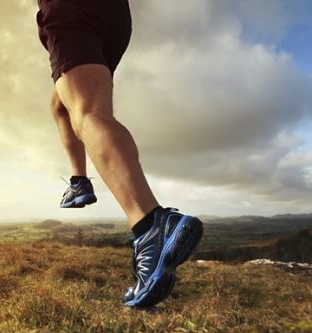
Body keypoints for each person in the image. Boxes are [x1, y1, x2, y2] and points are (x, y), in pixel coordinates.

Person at [36, 0, 203, 307]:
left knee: (89, 114)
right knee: (63, 104)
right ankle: (79, 182)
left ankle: (149, 223)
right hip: (114, 15)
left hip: (71, 7)